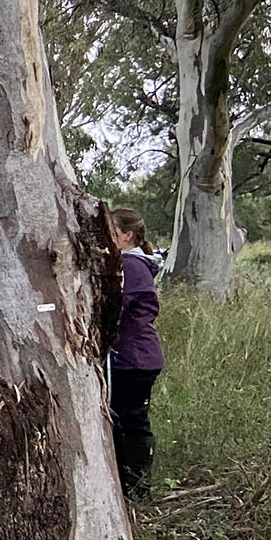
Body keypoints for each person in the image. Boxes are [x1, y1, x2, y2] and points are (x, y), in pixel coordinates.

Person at [109, 208, 164, 500]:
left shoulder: (131, 265)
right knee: (121, 422)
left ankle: (139, 489)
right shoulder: (127, 263)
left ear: (127, 236)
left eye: (113, 232)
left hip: (135, 360)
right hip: (129, 358)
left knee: (132, 423)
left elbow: (132, 306)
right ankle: (127, 485)